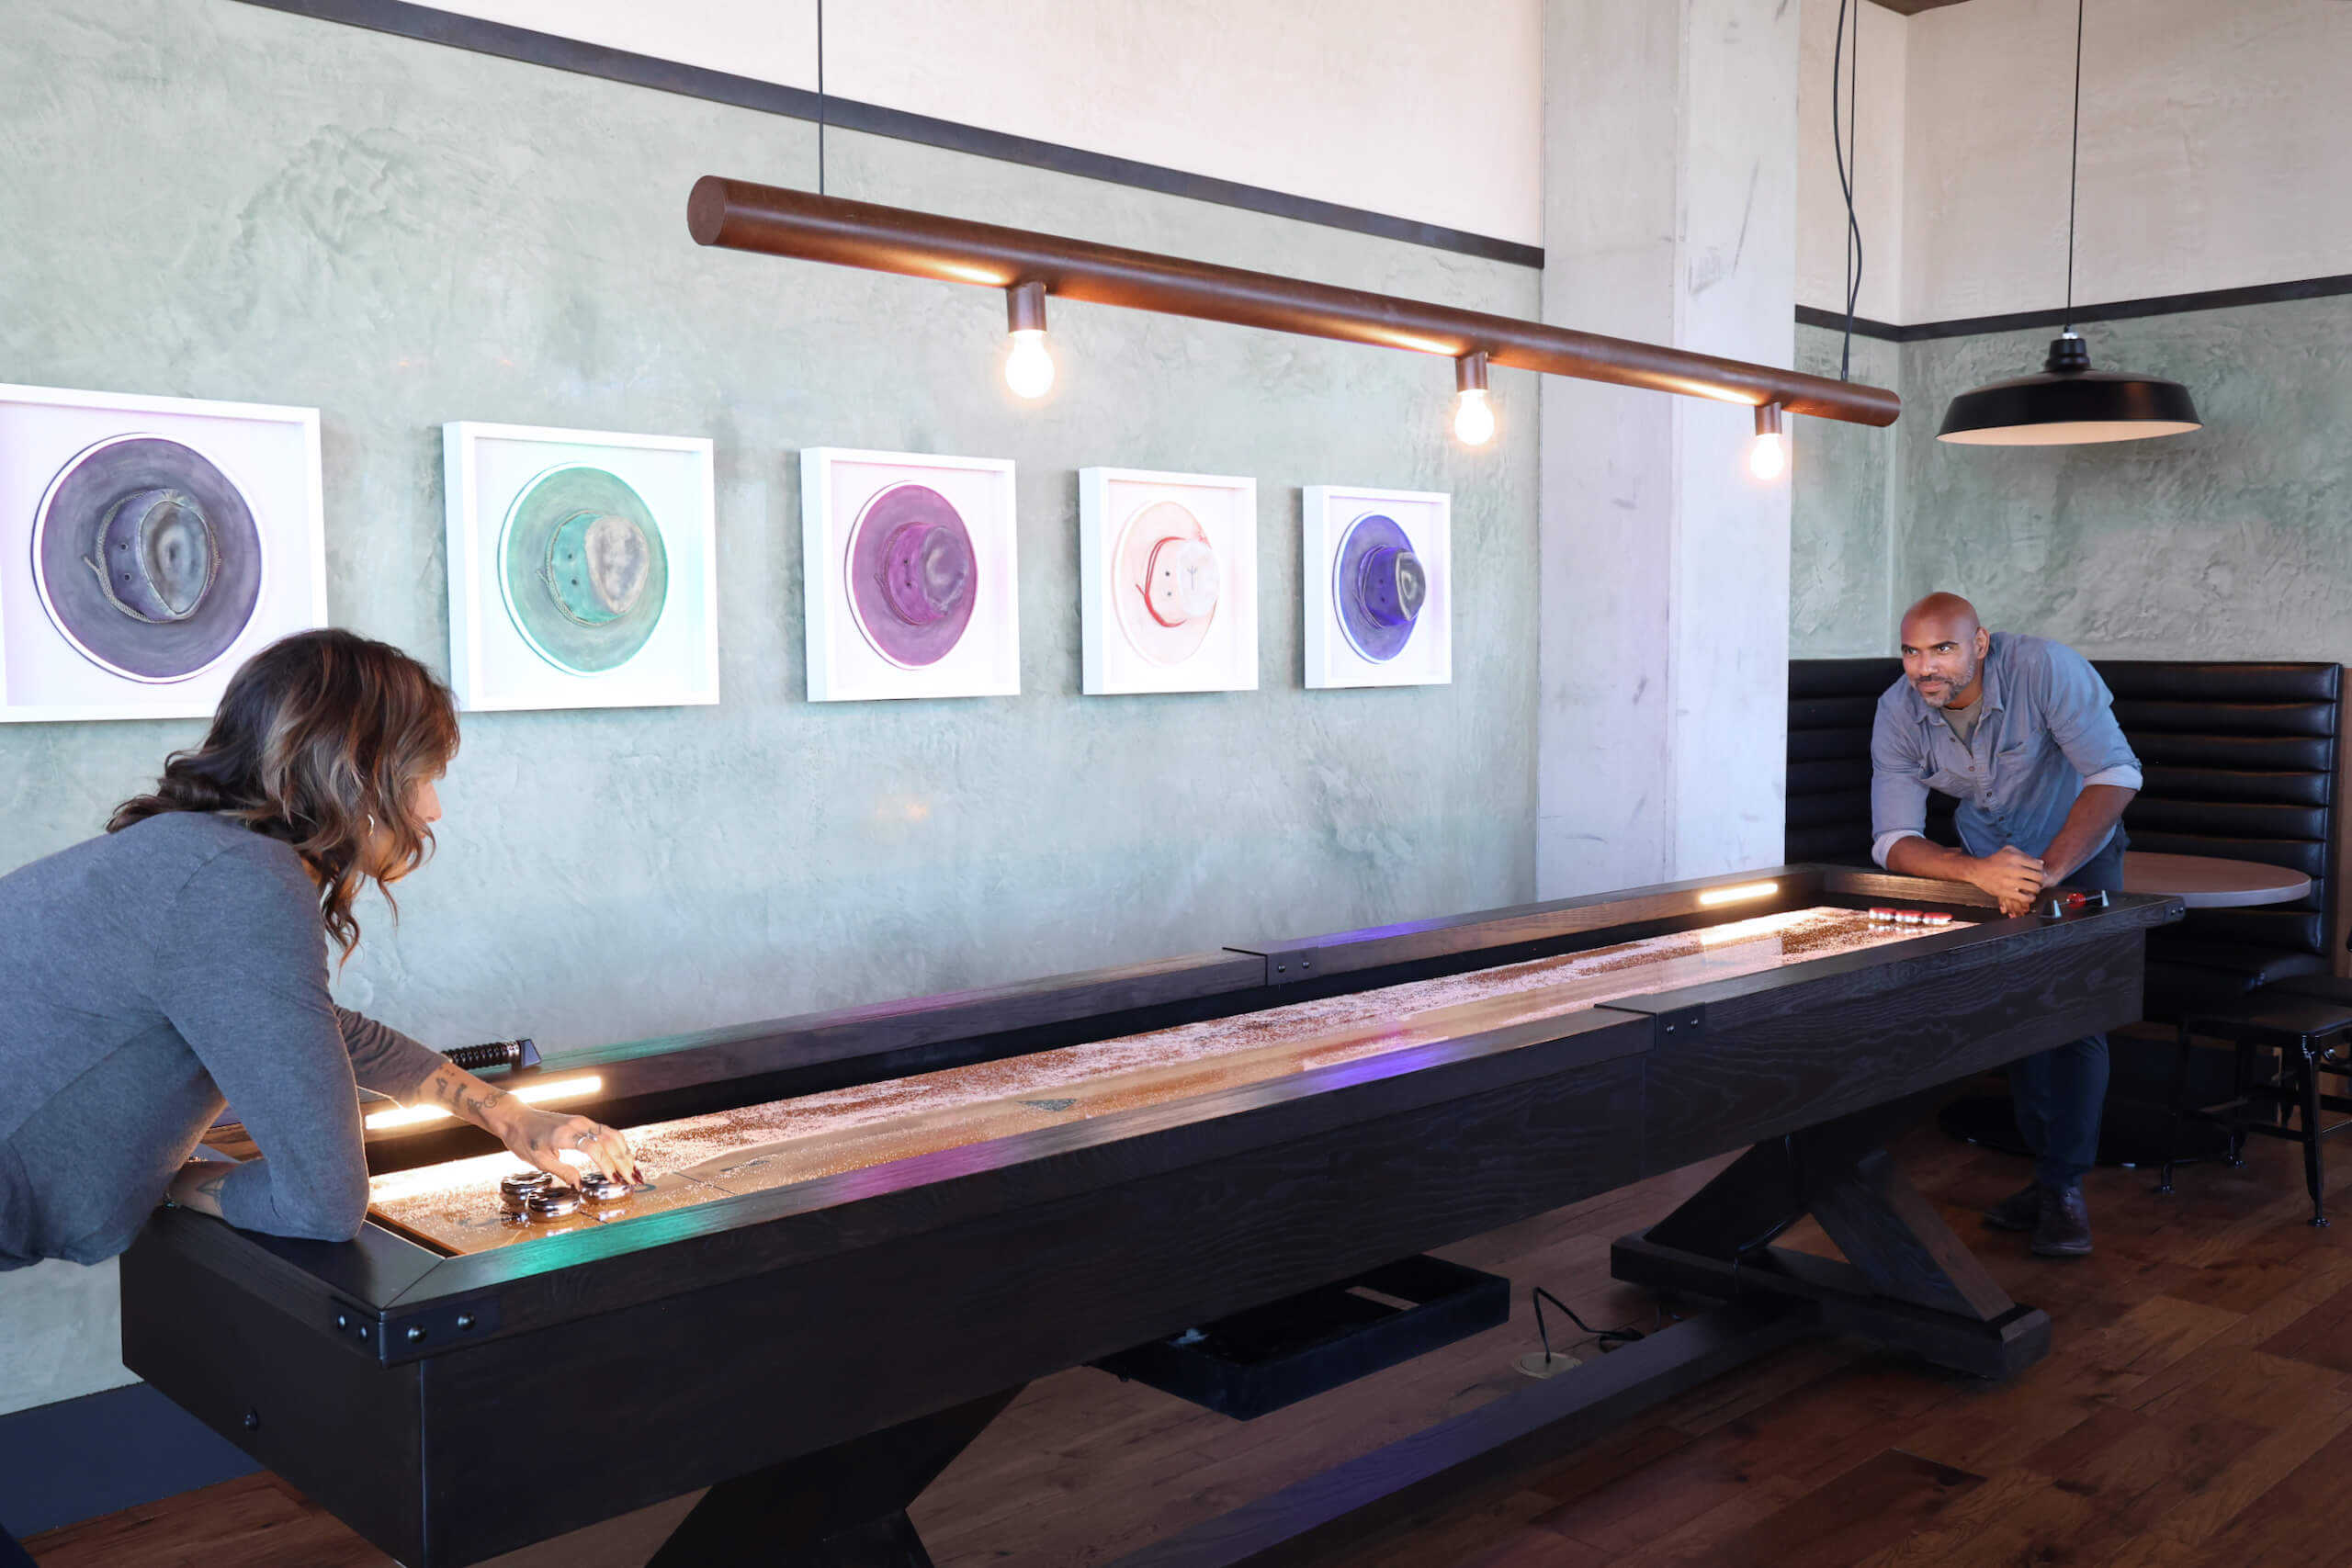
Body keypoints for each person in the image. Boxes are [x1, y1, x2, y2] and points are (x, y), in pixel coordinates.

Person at [0, 628, 639, 1274]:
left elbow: (308, 1024)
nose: (432, 808)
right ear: (355, 773)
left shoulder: (201, 853)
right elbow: (323, 1203)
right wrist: (178, 1182)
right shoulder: (243, 880)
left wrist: (507, 1114)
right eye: (420, 776)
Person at [1869, 592, 2141, 1258]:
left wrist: (2049, 870)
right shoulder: (1897, 710)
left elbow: (2114, 774)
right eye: (1911, 650)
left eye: (1942, 649)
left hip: (2077, 847)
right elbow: (1893, 840)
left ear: (1981, 643)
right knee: (2017, 1012)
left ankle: (2065, 1190)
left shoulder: (2047, 669)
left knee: (2072, 1016)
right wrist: (1977, 871)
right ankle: (2046, 1180)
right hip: (1985, 861)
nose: (1923, 667)